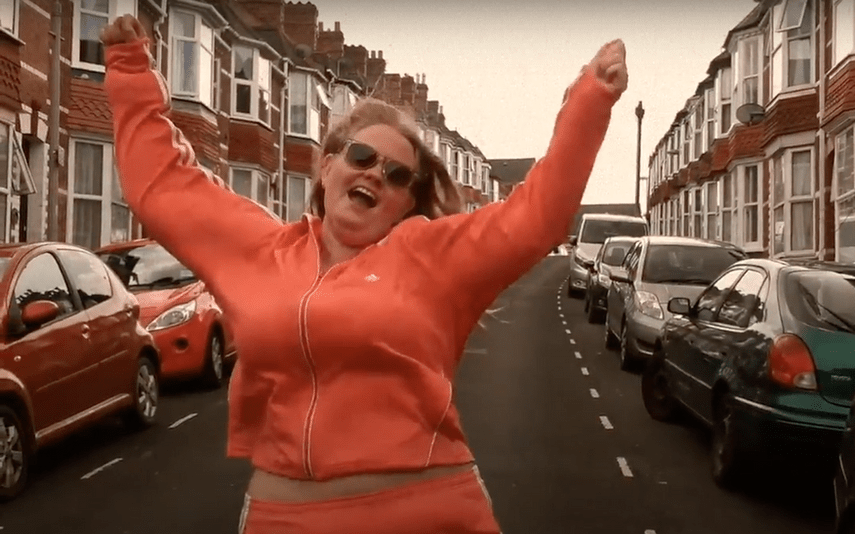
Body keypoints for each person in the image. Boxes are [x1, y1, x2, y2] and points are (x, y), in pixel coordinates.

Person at [100, 14, 627, 534]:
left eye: (396, 175)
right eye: (362, 156)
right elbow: (163, 187)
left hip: (426, 513)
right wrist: (129, 70)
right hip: (283, 518)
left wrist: (589, 101)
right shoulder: (259, 252)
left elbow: (535, 218)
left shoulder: (432, 256)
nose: (376, 173)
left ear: (406, 203)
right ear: (327, 166)